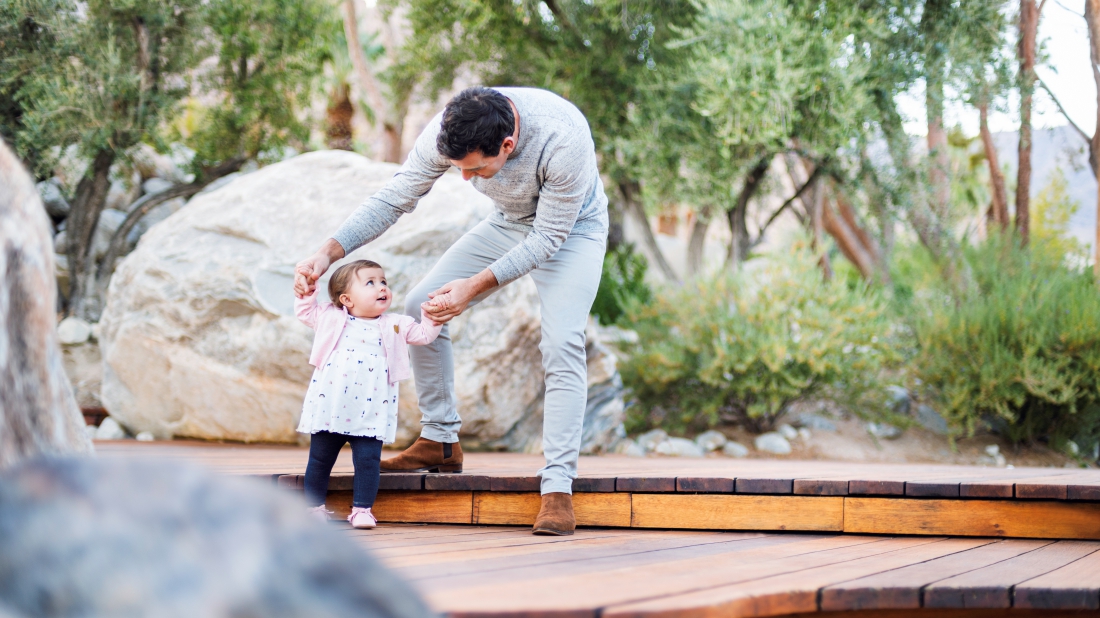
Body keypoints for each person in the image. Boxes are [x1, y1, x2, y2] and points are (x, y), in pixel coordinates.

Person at [293, 86, 608, 536]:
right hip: (508, 223)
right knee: (422, 305)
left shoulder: (564, 138)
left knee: (562, 344)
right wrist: (326, 254)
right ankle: (441, 439)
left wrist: (474, 287)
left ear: (507, 146)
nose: (465, 179)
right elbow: (395, 197)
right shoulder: (449, 128)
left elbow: (548, 240)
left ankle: (557, 486)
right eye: (458, 168)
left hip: (573, 231)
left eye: (475, 169)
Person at [295, 259, 442, 528]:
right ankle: (313, 508)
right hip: (332, 406)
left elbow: (423, 335)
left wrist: (433, 316)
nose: (381, 287)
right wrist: (307, 290)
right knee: (319, 459)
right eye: (371, 283)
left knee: (368, 461)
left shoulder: (395, 324)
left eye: (383, 281)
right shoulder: (330, 317)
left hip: (371, 408)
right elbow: (305, 312)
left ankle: (362, 509)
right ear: (347, 299)